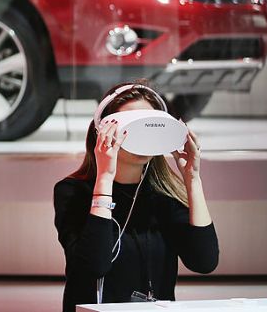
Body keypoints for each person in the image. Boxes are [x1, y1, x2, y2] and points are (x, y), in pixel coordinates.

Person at [53, 80, 218, 311]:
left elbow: (204, 261)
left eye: (149, 126)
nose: (141, 137)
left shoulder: (163, 195)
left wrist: (192, 179)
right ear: (103, 129)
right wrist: (104, 178)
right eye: (130, 127)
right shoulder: (73, 192)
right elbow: (94, 266)